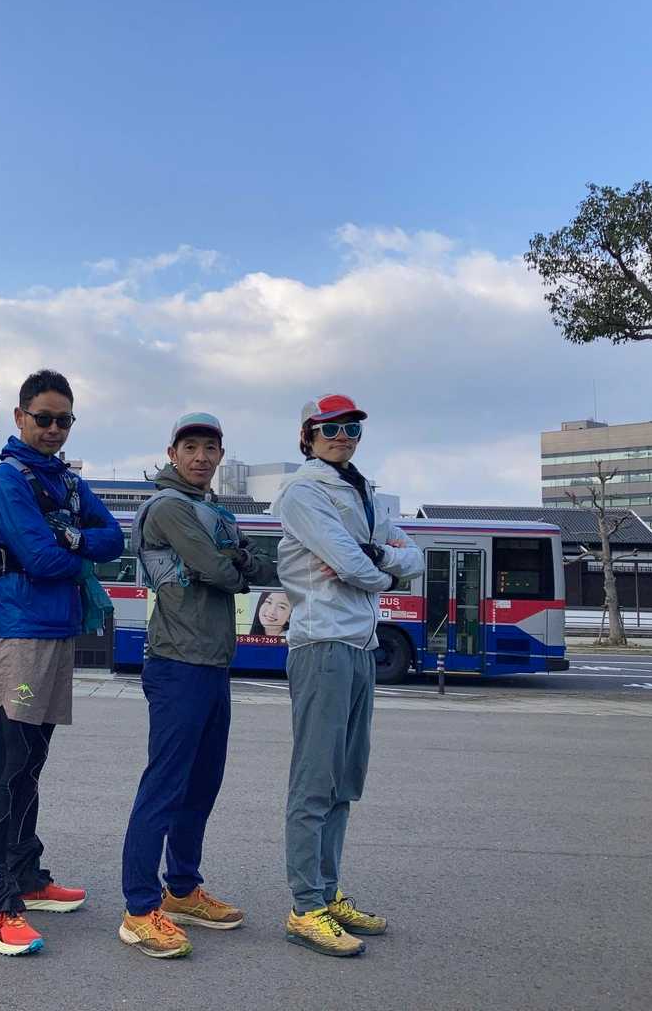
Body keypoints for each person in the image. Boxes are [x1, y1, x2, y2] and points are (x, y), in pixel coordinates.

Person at [0, 369, 124, 956]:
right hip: (20, 636)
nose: (54, 428)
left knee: (31, 760)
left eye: (64, 420)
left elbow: (115, 539)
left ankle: (26, 875)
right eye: (44, 418)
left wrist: (72, 540)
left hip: (57, 634)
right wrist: (78, 548)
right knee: (8, 762)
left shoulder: (66, 479)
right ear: (19, 417)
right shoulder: (8, 480)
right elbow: (37, 558)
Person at [117, 412, 276, 959]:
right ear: (172, 453)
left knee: (201, 785)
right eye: (191, 447)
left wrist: (235, 561)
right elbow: (223, 570)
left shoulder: (211, 508)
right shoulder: (169, 507)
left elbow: (255, 565)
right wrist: (233, 561)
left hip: (211, 662)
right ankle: (140, 909)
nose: (201, 457)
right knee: (164, 786)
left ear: (220, 456)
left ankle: (182, 890)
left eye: (210, 448)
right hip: (177, 662)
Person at [272, 394, 423, 958]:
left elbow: (412, 556)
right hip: (322, 643)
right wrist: (381, 568)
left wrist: (373, 560)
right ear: (307, 436)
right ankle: (305, 906)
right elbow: (356, 562)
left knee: (344, 781)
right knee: (315, 779)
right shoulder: (304, 491)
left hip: (360, 644)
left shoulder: (365, 492)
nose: (342, 437)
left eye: (352, 428)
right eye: (330, 428)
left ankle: (327, 890)